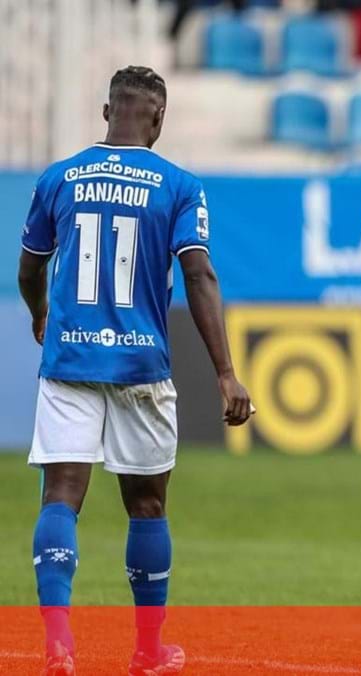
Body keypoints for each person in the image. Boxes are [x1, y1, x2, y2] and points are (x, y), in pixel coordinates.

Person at [17, 66, 254, 676]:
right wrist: (225, 373)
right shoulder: (178, 185)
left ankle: (58, 644)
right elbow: (199, 275)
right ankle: (148, 652)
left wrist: (41, 313)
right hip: (141, 364)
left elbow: (29, 267)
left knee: (61, 497)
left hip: (69, 357)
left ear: (105, 113)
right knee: (147, 506)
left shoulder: (58, 177)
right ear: (159, 119)